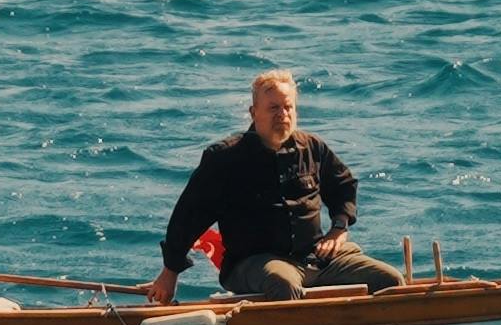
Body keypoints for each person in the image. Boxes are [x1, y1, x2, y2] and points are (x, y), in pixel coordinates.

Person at [156, 71, 374, 299]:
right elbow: (188, 216)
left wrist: (339, 229)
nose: (282, 114)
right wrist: (170, 272)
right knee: (283, 283)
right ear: (254, 113)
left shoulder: (312, 148)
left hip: (314, 259)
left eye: (287, 107)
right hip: (252, 263)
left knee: (387, 280)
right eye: (273, 108)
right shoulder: (224, 158)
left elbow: (344, 186)